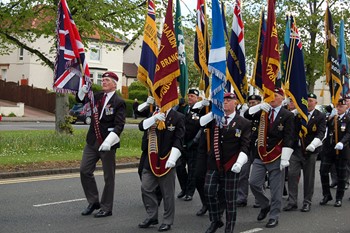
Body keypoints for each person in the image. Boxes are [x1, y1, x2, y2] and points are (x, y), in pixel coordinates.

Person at [200, 93, 251, 233]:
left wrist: (239, 163)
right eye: (223, 101)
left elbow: (245, 146)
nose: (226, 103)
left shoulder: (244, 123)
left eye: (229, 100)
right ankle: (216, 220)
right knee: (208, 191)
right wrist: (213, 112)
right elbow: (200, 122)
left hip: (231, 164)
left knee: (230, 200)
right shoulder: (215, 119)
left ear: (235, 103)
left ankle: (229, 228)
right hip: (214, 163)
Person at [78, 71, 126, 218]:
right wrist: (82, 92)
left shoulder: (119, 101)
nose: (103, 82)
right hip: (92, 141)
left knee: (108, 177)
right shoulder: (97, 96)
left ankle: (106, 207)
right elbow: (81, 101)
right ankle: (93, 202)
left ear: (114, 84)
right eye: (103, 80)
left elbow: (119, 125)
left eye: (106, 80)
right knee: (84, 170)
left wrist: (108, 142)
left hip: (107, 144)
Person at [247, 88, 294, 228]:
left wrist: (285, 157)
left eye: (275, 95)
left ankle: (274, 216)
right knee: (253, 182)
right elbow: (245, 115)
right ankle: (264, 204)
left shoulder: (287, 115)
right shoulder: (263, 111)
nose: (271, 98)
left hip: (277, 155)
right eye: (269, 95)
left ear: (282, 98)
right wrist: (258, 106)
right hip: (260, 153)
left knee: (276, 189)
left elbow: (289, 137)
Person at [138, 107, 185, 232]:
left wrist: (173, 158)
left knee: (167, 193)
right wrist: (154, 118)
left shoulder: (178, 117)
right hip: (151, 158)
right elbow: (141, 126)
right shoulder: (154, 113)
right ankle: (152, 216)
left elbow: (179, 139)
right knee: (146, 187)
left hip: (168, 158)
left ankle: (167, 221)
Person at [283, 93, 326, 212]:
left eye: (311, 100)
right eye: (307, 100)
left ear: (316, 103)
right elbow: (290, 130)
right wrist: (292, 114)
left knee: (308, 177)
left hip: (310, 151)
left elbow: (321, 132)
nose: (309, 102)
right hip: (296, 150)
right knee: (292, 175)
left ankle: (307, 202)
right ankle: (292, 202)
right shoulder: (298, 115)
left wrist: (313, 144)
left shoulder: (320, 116)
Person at [319, 98, 350, 207]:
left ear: (346, 107)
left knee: (341, 175)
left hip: (342, 151)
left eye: (342, 106)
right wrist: (329, 116)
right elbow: (325, 127)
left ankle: (339, 198)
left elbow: (348, 134)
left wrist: (342, 142)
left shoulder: (348, 119)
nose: (339, 108)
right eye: (338, 106)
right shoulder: (333, 118)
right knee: (323, 171)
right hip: (329, 150)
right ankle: (326, 194)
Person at [176, 89, 205, 202]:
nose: (190, 98)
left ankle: (190, 192)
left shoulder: (201, 110)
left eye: (192, 96)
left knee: (192, 170)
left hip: (194, 144)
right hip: (182, 142)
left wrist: (195, 141)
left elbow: (203, 126)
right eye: (189, 96)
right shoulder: (184, 108)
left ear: (197, 98)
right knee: (179, 167)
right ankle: (184, 188)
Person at [237, 94, 262, 207]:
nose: (251, 105)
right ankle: (242, 197)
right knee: (243, 173)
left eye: (254, 103)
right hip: (247, 147)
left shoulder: (263, 114)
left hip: (259, 148)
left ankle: (259, 199)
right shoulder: (246, 114)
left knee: (258, 176)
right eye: (250, 103)